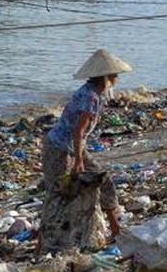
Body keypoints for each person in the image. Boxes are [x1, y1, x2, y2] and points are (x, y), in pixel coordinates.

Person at [40, 49, 132, 249]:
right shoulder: (89, 96)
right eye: (114, 75)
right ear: (105, 77)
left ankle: (115, 228)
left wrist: (79, 155)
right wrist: (79, 160)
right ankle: (44, 241)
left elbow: (79, 134)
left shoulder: (96, 94)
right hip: (59, 147)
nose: (117, 79)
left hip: (73, 146)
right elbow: (79, 130)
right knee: (58, 191)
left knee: (102, 178)